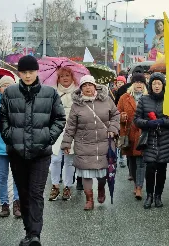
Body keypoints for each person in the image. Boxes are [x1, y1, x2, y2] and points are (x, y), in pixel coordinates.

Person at [0, 55, 66, 246]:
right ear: (19, 73)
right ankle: (29, 232)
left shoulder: (50, 93)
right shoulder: (9, 93)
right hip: (17, 153)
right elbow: (3, 120)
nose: (27, 76)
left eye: (31, 72)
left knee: (36, 193)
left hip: (40, 153)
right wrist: (11, 138)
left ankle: (35, 234)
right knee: (24, 193)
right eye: (24, 72)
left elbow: (59, 119)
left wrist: (47, 137)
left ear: (37, 72)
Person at [61, 75, 120, 211]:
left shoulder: (106, 100)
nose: (88, 88)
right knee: (86, 172)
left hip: (104, 142)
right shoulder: (77, 105)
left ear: (95, 86)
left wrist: (113, 128)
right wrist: (66, 143)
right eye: (84, 85)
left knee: (102, 171)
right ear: (81, 89)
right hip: (84, 144)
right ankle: (89, 199)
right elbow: (70, 126)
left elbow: (116, 115)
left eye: (90, 85)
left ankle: (101, 188)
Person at [134, 73, 169, 209]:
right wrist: (147, 123)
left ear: (163, 85)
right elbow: (136, 119)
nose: (156, 86)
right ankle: (149, 195)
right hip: (150, 138)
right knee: (150, 167)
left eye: (159, 83)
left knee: (162, 168)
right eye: (154, 83)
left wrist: (163, 121)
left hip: (165, 139)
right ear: (150, 85)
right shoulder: (144, 100)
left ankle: (158, 196)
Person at [49, 67, 78, 201]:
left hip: (72, 129)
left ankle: (67, 186)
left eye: (67, 75)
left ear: (72, 77)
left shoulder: (78, 93)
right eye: (62, 76)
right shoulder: (53, 93)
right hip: (57, 128)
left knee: (69, 160)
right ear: (58, 78)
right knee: (55, 159)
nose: (65, 78)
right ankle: (55, 185)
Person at [117, 77, 148, 200]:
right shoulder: (125, 97)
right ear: (133, 84)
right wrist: (121, 116)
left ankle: (139, 187)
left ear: (144, 85)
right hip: (128, 134)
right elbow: (117, 112)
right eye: (136, 82)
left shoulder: (148, 97)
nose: (139, 84)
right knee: (132, 162)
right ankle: (136, 183)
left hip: (143, 133)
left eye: (141, 82)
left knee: (141, 161)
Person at [0, 76, 21, 218]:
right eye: (2, 85)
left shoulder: (19, 102)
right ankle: (4, 203)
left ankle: (17, 202)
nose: (5, 88)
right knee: (1, 177)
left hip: (15, 145)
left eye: (8, 85)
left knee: (17, 176)